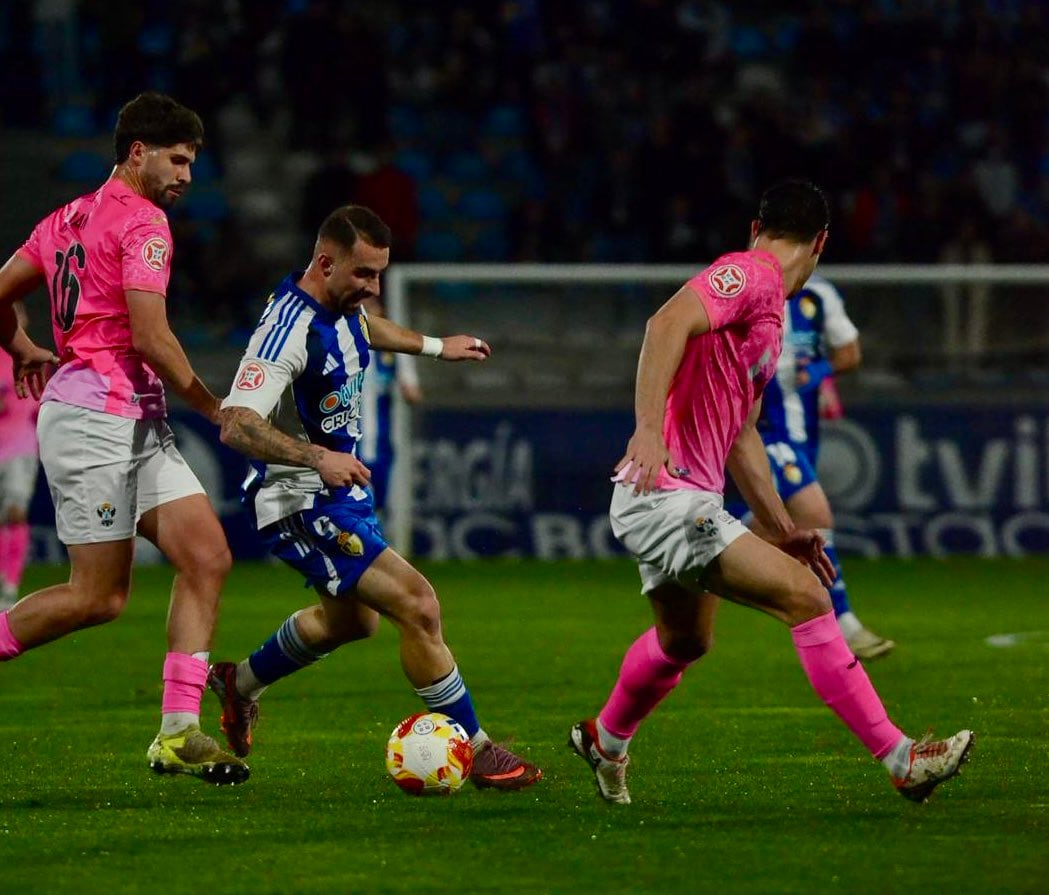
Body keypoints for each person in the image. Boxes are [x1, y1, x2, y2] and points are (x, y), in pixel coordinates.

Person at [569, 180, 972, 805]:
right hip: (666, 493)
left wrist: (781, 529)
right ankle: (900, 757)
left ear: (759, 226)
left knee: (685, 641)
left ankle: (606, 740)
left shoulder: (771, 320)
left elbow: (743, 437)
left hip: (677, 497)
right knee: (810, 599)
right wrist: (649, 429)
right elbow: (664, 322)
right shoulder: (749, 275)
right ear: (820, 243)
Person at [208, 205, 542, 790]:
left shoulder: (342, 310)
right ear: (325, 261)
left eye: (380, 274)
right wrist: (317, 457)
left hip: (340, 495)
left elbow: (365, 329)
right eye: (363, 274)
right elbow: (235, 424)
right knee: (418, 604)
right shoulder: (286, 330)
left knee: (352, 623)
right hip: (300, 499)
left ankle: (237, 686)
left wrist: (438, 346)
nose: (373, 287)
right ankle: (477, 747)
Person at [0, 92, 247, 785]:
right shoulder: (146, 225)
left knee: (206, 555)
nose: (187, 174)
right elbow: (150, 335)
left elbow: (2, 290)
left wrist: (21, 344)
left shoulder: (64, 219)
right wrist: (211, 404)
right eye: (178, 158)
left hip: (130, 416)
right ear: (137, 152)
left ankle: (177, 731)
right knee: (97, 597)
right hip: (94, 418)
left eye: (193, 161)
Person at [751, 275, 895, 659]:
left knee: (768, 525)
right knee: (816, 513)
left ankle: (691, 532)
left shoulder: (819, 294)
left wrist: (820, 373)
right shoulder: (748, 290)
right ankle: (844, 623)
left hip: (804, 432)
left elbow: (850, 352)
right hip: (764, 429)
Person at [359, 295, 423, 516]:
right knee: (354, 495)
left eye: (371, 306)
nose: (366, 312)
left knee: (380, 494)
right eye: (362, 307)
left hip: (384, 435)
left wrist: (406, 388)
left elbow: (413, 392)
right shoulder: (342, 344)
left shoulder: (395, 349)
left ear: (381, 311)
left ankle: (376, 538)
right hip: (349, 435)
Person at [0, 302, 40, 610]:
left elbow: (42, 405)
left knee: (14, 514)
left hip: (21, 449)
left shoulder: (33, 358)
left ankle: (10, 584)